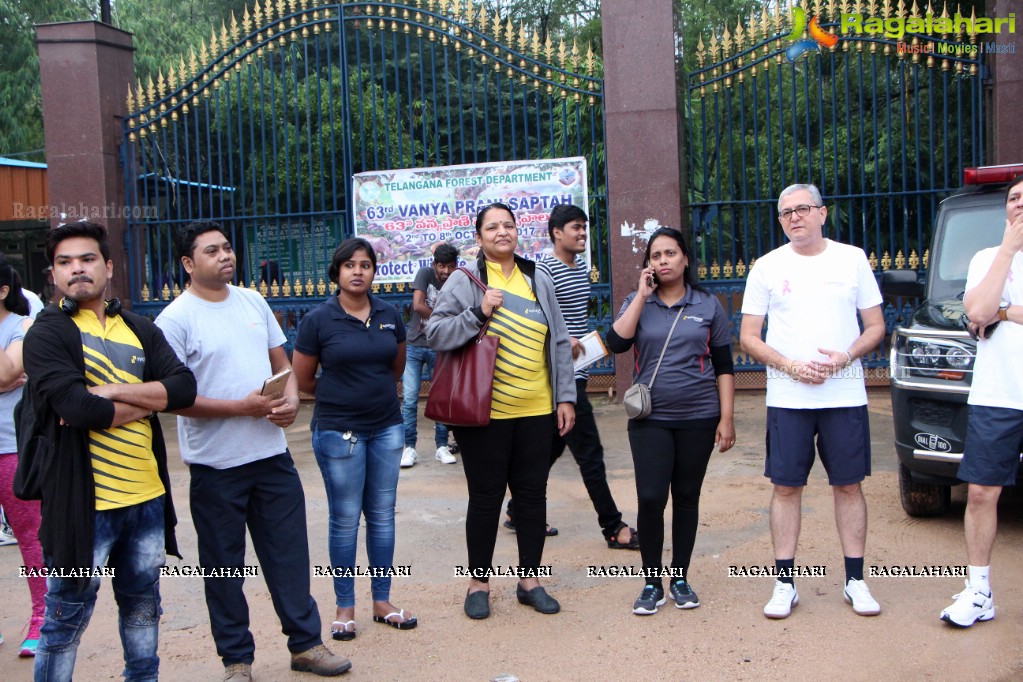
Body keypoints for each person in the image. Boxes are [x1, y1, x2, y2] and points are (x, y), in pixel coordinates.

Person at [155, 221, 351, 680]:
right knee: (224, 569)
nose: (225, 256)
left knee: (289, 557)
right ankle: (237, 660)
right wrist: (240, 408)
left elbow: (281, 364)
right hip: (215, 466)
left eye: (227, 248)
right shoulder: (174, 320)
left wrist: (287, 402)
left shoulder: (252, 301)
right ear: (188, 263)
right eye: (211, 251)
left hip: (271, 458)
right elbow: (175, 398)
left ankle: (305, 645)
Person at [22, 221, 197, 681]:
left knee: (143, 609)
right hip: (83, 505)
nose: (76, 269)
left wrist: (113, 391)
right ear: (53, 274)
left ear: (109, 267)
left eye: (87, 259)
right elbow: (78, 409)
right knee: (64, 621)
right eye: (65, 263)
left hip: (146, 499)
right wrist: (145, 399)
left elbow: (183, 389)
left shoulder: (140, 328)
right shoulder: (46, 335)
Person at [739, 183, 886, 620]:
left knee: (848, 484)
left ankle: (855, 581)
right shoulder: (766, 267)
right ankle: (784, 583)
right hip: (788, 397)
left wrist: (845, 356)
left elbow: (875, 325)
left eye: (803, 209)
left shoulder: (852, 259)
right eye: (786, 213)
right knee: (786, 486)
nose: (795, 218)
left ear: (823, 214)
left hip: (844, 392)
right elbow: (748, 336)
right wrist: (788, 366)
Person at [426, 202, 575, 620]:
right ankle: (479, 583)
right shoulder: (464, 280)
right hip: (483, 415)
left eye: (508, 225)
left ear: (517, 232)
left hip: (537, 410)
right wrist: (478, 312)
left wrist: (565, 398)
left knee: (532, 497)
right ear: (479, 237)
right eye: (492, 227)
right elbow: (434, 333)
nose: (502, 232)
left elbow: (559, 341)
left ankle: (530, 581)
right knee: (486, 498)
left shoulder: (536, 277)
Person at [293, 237, 417, 643]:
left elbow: (395, 367)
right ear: (338, 272)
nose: (358, 271)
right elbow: (304, 379)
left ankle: (382, 600)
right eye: (350, 265)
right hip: (337, 432)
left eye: (365, 264)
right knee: (345, 520)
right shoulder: (318, 320)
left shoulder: (388, 314)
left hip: (386, 427)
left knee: (383, 515)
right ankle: (344, 607)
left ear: (373, 271)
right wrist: (342, 395)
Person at [607, 226, 735, 615]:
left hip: (699, 416)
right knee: (650, 498)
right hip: (651, 419)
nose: (663, 261)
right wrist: (641, 296)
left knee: (686, 497)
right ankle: (651, 582)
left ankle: (679, 577)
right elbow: (616, 343)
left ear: (685, 259)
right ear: (649, 264)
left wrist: (726, 418)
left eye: (670, 253)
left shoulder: (708, 305)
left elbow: (725, 367)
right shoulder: (637, 301)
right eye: (656, 255)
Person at [504, 204, 638, 548]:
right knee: (589, 450)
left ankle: (518, 509)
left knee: (551, 447)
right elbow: (529, 316)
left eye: (584, 229)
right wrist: (562, 336)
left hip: (579, 368)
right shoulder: (543, 269)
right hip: (555, 372)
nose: (582, 234)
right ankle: (613, 526)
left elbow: (573, 314)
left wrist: (582, 339)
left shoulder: (580, 269)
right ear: (556, 232)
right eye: (575, 228)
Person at [939, 174, 1023, 627]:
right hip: (999, 394)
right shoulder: (989, 258)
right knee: (980, 492)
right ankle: (978, 591)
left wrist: (1004, 313)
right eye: (1013, 198)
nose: (1019, 204)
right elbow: (977, 313)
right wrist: (1009, 251)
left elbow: (993, 314)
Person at [0, 258, 44, 655]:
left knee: (30, 537)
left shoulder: (22, 326)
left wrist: (11, 378)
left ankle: (41, 619)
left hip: (11, 447)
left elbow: (5, 374)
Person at [400, 243, 459, 467]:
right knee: (410, 399)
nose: (446, 271)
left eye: (451, 266)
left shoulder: (458, 279)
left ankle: (442, 446)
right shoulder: (425, 273)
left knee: (441, 399)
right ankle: (409, 448)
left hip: (440, 347)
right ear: (434, 264)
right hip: (415, 345)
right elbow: (418, 305)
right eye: (442, 266)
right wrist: (442, 319)